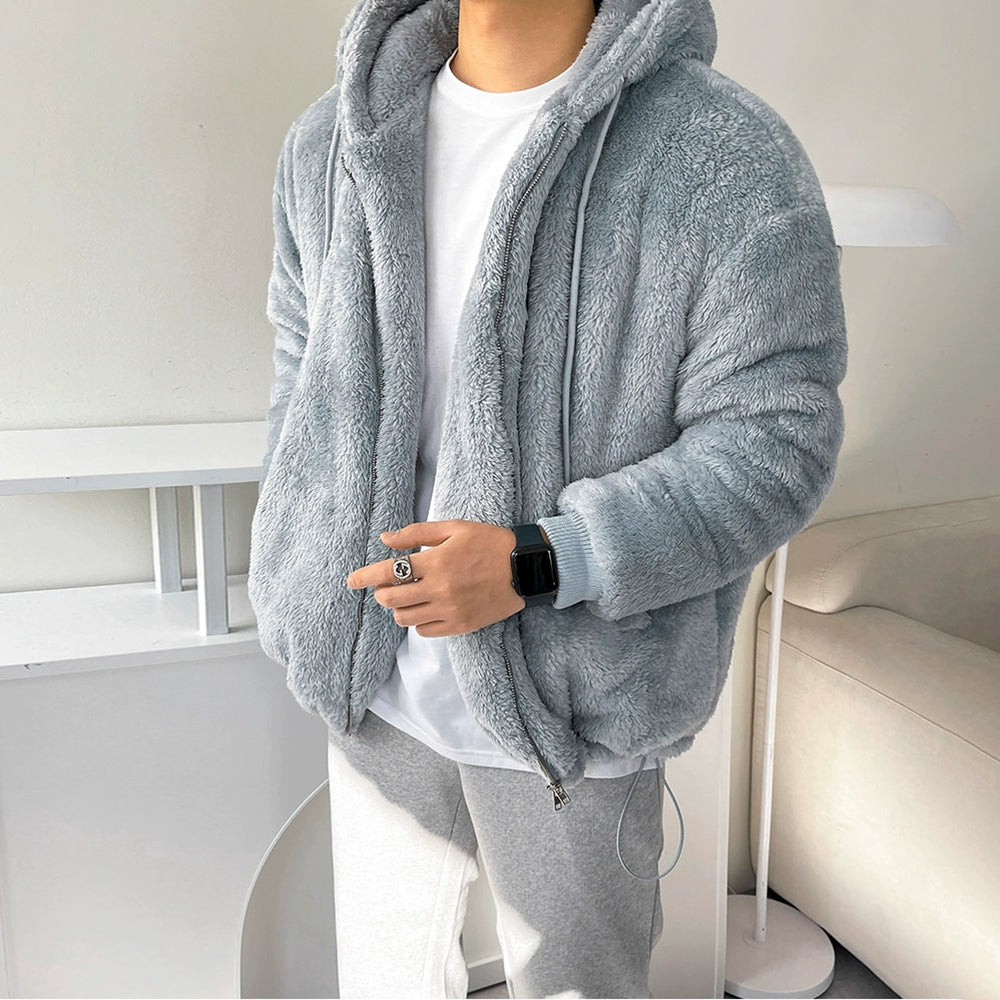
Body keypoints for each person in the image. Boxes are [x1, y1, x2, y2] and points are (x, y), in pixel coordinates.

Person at [247, 0, 848, 996]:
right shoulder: (332, 142)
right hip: (370, 679)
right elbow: (299, 369)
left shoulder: (725, 157)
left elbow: (776, 442)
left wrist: (541, 559)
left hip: (576, 708)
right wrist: (303, 567)